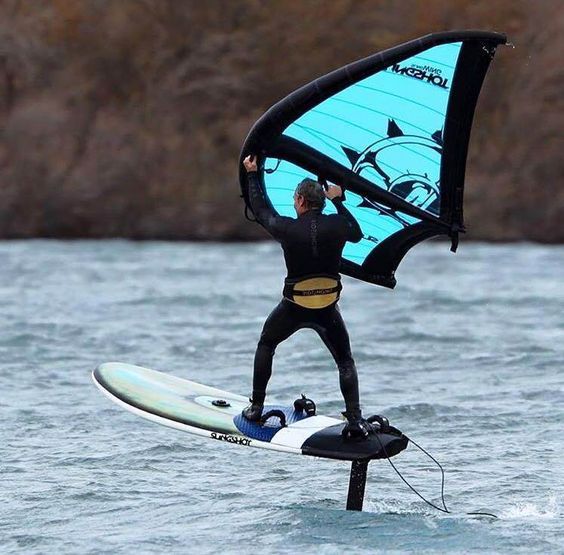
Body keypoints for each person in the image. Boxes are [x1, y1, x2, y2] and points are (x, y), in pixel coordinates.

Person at [241, 154, 374, 439]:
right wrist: (339, 199)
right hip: (327, 308)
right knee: (345, 361)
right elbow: (358, 233)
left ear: (301, 201)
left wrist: (252, 175)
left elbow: (260, 209)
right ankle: (354, 419)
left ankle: (255, 406)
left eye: (294, 198)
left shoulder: (287, 228)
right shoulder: (339, 226)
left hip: (294, 307)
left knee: (266, 343)